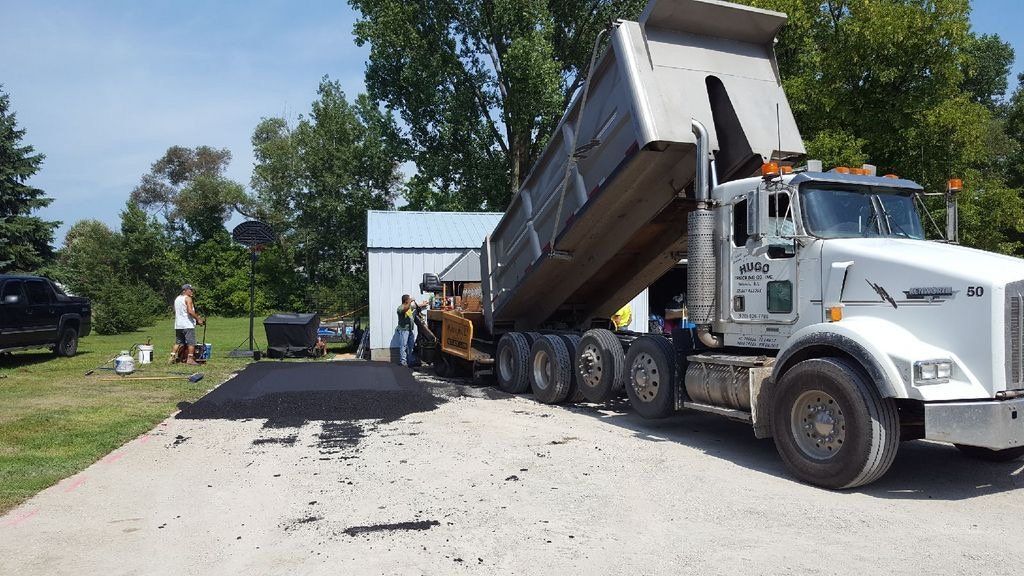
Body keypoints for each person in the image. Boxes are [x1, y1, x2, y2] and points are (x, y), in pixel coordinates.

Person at [173, 284, 205, 365]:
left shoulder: (177, 299)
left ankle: (172, 357)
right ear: (184, 291)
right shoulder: (188, 298)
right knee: (191, 342)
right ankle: (190, 359)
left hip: (178, 325)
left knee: (178, 342)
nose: (192, 291)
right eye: (190, 290)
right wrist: (198, 319)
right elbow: (190, 311)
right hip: (187, 325)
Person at [397, 294, 428, 367]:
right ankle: (403, 361)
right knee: (403, 346)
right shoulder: (400, 308)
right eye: (409, 299)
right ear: (406, 300)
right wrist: (410, 301)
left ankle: (409, 361)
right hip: (404, 330)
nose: (410, 299)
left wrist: (423, 304)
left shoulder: (409, 306)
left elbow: (415, 306)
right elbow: (405, 309)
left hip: (410, 330)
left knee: (411, 346)